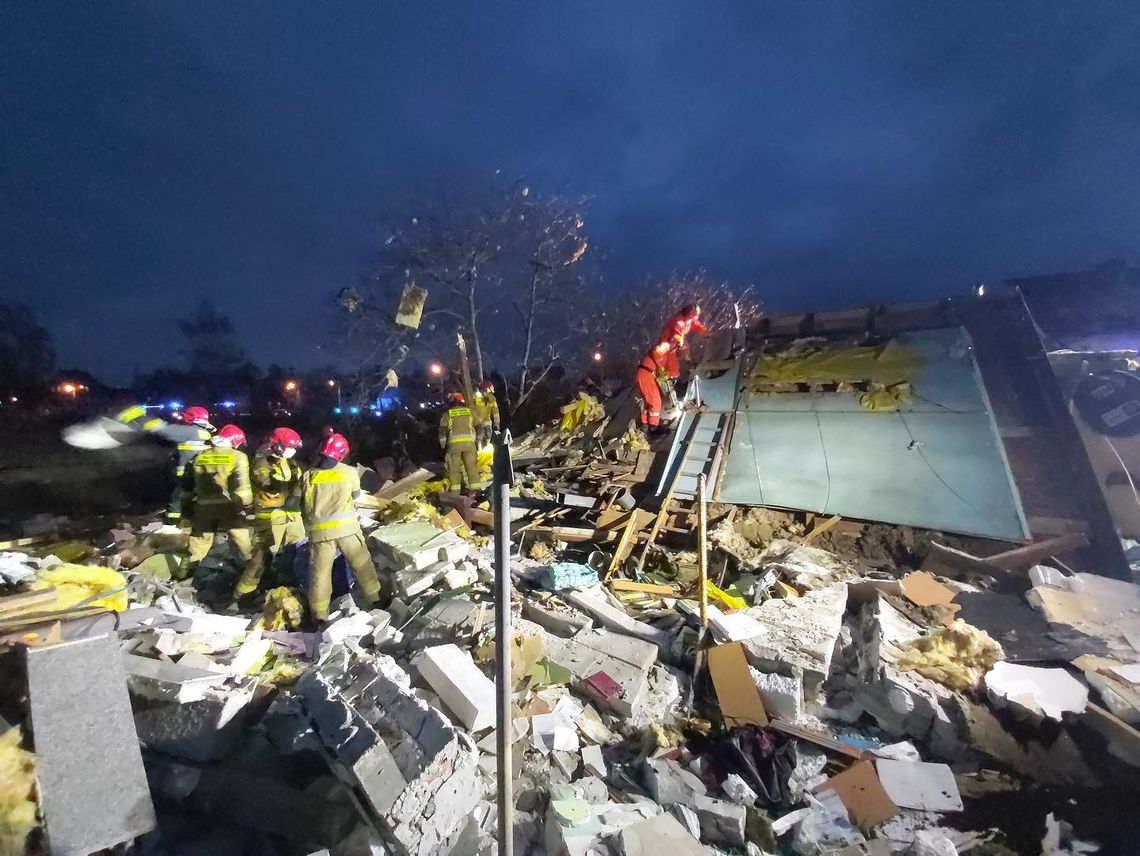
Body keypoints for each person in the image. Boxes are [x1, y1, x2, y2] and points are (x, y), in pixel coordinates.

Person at [300, 432, 389, 622]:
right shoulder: (349, 472)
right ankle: (375, 600)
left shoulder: (308, 475)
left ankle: (319, 615)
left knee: (320, 574)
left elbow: (301, 503)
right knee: (362, 565)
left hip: (320, 534)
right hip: (347, 530)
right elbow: (356, 497)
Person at [233, 426, 305, 602]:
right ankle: (242, 595)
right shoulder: (261, 463)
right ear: (277, 446)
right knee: (263, 557)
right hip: (269, 516)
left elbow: (298, 479)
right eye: (289, 447)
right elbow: (270, 485)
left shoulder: (287, 462)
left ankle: (287, 585)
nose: (292, 452)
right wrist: (297, 486)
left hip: (290, 515)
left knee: (297, 550)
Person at [115, 403, 214, 524]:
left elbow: (163, 430)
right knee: (184, 499)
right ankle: (182, 520)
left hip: (183, 474)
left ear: (190, 417)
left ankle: (172, 524)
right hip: (196, 473)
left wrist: (140, 417)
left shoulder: (190, 431)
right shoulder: (204, 433)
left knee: (175, 499)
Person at [182, 423, 253, 579]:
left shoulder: (200, 456)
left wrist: (186, 507)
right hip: (229, 507)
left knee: (199, 542)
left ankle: (185, 574)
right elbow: (242, 487)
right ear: (234, 441)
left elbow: (187, 485)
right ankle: (250, 573)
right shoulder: (238, 457)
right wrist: (247, 506)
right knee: (242, 541)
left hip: (203, 507)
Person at [657, 303, 709, 380]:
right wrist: (683, 348)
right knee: (673, 367)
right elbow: (676, 337)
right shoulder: (678, 322)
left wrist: (705, 332)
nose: (695, 317)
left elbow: (696, 325)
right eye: (694, 315)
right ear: (690, 315)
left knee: (685, 350)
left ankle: (685, 361)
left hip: (678, 340)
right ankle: (666, 377)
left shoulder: (689, 319)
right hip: (669, 343)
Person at [439, 391, 479, 489]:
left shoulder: (447, 414)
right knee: (472, 468)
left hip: (453, 446)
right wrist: (478, 441)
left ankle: (456, 493)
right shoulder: (470, 412)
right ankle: (475, 492)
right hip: (469, 445)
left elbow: (442, 432)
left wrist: (443, 446)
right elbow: (479, 427)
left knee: (453, 470)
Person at [635, 341, 672, 432]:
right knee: (655, 401)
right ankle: (653, 426)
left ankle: (645, 423)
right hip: (646, 375)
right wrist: (662, 370)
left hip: (645, 374)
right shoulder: (663, 347)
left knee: (648, 401)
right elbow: (657, 353)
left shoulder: (665, 351)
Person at [473, 379, 501, 447]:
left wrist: (496, 424)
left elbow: (495, 412)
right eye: (489, 390)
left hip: (486, 421)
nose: (489, 392)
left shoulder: (492, 398)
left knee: (488, 434)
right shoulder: (475, 395)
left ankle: (487, 450)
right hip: (476, 421)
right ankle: (478, 450)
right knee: (478, 436)